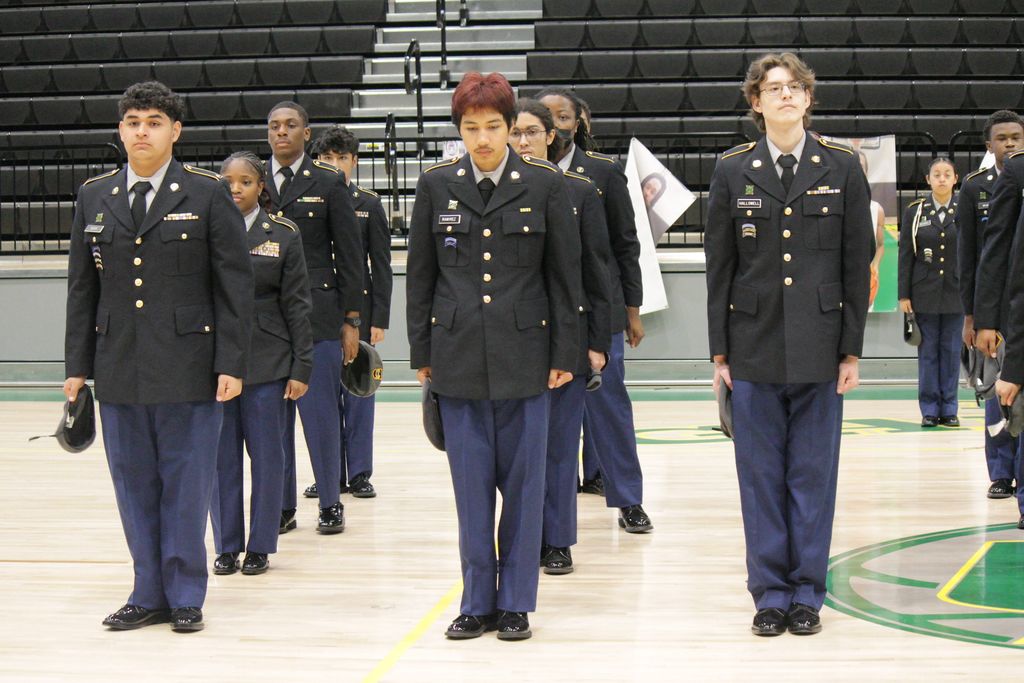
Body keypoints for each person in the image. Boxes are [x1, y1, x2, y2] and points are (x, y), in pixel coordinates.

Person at [64, 81, 254, 632]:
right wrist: (77, 367)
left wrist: (232, 362)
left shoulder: (206, 193)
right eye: (132, 121)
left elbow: (234, 286)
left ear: (175, 131)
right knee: (133, 483)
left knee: (187, 483)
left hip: (191, 365)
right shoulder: (94, 196)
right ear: (120, 130)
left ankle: (186, 592)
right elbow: (82, 290)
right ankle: (147, 590)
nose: (141, 130)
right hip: (119, 364)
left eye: (152, 121)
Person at [406, 72, 581, 640]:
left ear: (512, 129)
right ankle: (477, 598)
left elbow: (563, 277)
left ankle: (516, 603)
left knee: (527, 487)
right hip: (456, 356)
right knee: (471, 488)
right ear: (459, 129)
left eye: (493, 127)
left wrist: (565, 352)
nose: (481, 139)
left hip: (527, 354)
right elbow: (422, 277)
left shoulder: (545, 183)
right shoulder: (436, 185)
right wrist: (422, 352)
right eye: (470, 128)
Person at [704, 53, 872, 637]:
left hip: (821, 347)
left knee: (812, 476)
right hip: (751, 346)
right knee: (759, 477)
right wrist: (718, 352)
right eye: (773, 88)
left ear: (809, 98)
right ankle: (769, 593)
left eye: (794, 87)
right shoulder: (731, 169)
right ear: (755, 102)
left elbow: (856, 266)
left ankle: (807, 593)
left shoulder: (843, 166)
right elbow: (719, 266)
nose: (785, 96)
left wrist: (851, 350)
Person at [537, 88, 652, 533]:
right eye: (546, 117)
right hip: (545, 317)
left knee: (609, 408)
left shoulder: (604, 172)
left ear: (577, 122)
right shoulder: (520, 175)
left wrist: (632, 310)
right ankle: (552, 516)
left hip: (600, 313)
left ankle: (629, 499)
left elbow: (626, 246)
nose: (556, 124)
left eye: (563, 116)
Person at [511, 97, 611, 575]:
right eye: (515, 132)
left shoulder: (580, 191)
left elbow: (596, 272)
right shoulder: (496, 189)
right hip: (514, 342)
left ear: (552, 137)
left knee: (558, 447)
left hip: (565, 338)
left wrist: (596, 343)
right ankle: (521, 537)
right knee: (517, 453)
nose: (522, 140)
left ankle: (557, 540)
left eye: (532, 132)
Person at [210, 152, 313, 577]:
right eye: (228, 181)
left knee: (268, 457)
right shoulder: (204, 232)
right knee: (221, 458)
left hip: (268, 362)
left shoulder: (284, 235)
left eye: (245, 182)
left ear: (261, 188)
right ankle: (226, 545)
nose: (235, 188)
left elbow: (298, 305)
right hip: (216, 363)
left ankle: (260, 545)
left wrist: (301, 366)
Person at [265, 101, 363, 535]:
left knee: (319, 415)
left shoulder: (327, 181)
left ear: (307, 134)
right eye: (274, 126)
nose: (281, 132)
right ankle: (281, 505)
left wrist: (353, 319)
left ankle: (329, 501)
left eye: (291, 126)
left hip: (318, 316)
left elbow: (350, 254)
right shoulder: (249, 180)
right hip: (264, 320)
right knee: (272, 420)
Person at [303, 124, 393, 500]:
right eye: (327, 158)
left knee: (358, 392)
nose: (335, 164)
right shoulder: (308, 200)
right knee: (322, 398)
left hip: (360, 309)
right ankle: (328, 476)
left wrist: (379, 319)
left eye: (342, 158)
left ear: (354, 162)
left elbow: (381, 265)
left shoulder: (368, 204)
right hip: (322, 310)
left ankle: (358, 472)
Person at [957, 110, 1024, 498]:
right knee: (997, 392)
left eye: (1016, 137)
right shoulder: (974, 188)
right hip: (993, 310)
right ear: (989, 144)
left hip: (1020, 302)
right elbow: (973, 258)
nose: (1010, 144)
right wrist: (975, 316)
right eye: (1002, 138)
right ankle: (1001, 472)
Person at [898, 158, 962, 428]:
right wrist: (903, 295)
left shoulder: (963, 209)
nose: (942, 179)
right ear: (928, 180)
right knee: (928, 354)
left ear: (956, 178)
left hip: (956, 293)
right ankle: (929, 409)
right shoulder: (916, 211)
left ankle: (949, 408)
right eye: (937, 174)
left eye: (947, 174)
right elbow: (905, 256)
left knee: (951, 352)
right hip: (923, 292)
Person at [857, 151, 885, 307]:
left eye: (860, 166)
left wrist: (875, 266)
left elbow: (880, 245)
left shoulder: (876, 209)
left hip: (863, 278)